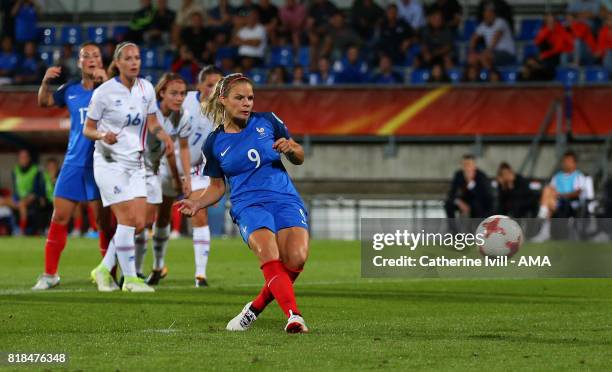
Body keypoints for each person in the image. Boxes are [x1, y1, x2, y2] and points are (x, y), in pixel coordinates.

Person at [177, 73, 310, 333]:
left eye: (250, 97)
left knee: (297, 259)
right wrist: (197, 204)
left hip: (284, 198)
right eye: (240, 98)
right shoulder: (214, 142)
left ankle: (254, 309)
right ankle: (294, 316)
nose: (247, 103)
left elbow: (299, 155)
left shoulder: (268, 121)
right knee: (269, 254)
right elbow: (217, 187)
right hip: (248, 205)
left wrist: (292, 149)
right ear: (223, 100)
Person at [84, 42, 174, 292]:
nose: (135, 62)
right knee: (127, 219)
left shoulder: (146, 88)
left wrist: (164, 136)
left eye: (137, 58)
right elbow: (88, 129)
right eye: (129, 58)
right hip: (110, 163)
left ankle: (103, 270)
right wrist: (103, 135)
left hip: (136, 162)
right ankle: (131, 280)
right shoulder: (104, 92)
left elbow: (153, 121)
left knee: (140, 222)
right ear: (118, 63)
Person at [33, 42, 115, 290]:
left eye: (95, 55)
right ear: (79, 63)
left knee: (103, 222)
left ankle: (108, 274)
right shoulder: (70, 90)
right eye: (85, 56)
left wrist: (107, 82)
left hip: (100, 162)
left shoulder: (112, 89)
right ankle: (50, 275)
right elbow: (44, 102)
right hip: (73, 163)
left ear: (101, 62)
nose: (90, 59)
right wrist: (46, 82)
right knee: (59, 216)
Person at [149, 65, 222, 287]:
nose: (214, 90)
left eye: (218, 86)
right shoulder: (184, 100)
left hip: (197, 168)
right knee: (160, 217)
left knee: (199, 214)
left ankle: (200, 275)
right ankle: (157, 265)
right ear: (199, 85)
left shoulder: (222, 110)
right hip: (167, 165)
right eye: (210, 85)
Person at [134, 72, 190, 282]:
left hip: (158, 168)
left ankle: (157, 266)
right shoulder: (150, 111)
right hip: (139, 168)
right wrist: (177, 178)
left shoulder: (182, 115)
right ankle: (135, 271)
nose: (179, 98)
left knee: (164, 216)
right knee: (143, 221)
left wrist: (186, 179)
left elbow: (181, 149)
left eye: (183, 93)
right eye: (174, 93)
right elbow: (168, 149)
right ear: (161, 93)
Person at [532, 150, 587, 242]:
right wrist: (557, 195)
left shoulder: (579, 176)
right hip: (556, 202)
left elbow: (577, 192)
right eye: (565, 161)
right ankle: (544, 220)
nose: (566, 164)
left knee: (548, 200)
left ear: (574, 163)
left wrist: (561, 195)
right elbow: (551, 190)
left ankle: (543, 223)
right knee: (547, 190)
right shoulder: (557, 176)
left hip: (570, 202)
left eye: (569, 161)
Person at [445, 154, 493, 220]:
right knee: (448, 203)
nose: (467, 167)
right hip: (464, 199)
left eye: (469, 164)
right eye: (464, 165)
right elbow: (451, 193)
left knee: (476, 205)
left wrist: (470, 182)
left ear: (474, 166)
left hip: (478, 201)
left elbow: (484, 196)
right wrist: (459, 202)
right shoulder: (458, 175)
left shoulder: (481, 176)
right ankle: (453, 228)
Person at [469, 5, 516, 69]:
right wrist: (472, 51)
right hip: (493, 52)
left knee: (484, 57)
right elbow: (474, 38)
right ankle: (478, 78)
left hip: (507, 53)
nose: (487, 16)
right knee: (472, 59)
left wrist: (485, 52)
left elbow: (495, 39)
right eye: (485, 14)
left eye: (489, 14)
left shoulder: (501, 22)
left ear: (493, 14)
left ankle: (491, 75)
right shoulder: (483, 24)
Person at [11, 148, 44, 235]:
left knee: (22, 205)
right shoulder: (15, 170)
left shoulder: (35, 170)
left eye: (25, 157)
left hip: (31, 198)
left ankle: (21, 231)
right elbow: (15, 188)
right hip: (18, 198)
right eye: (21, 157)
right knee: (2, 201)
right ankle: (9, 228)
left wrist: (28, 198)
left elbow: (37, 189)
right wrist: (15, 199)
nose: (23, 159)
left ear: (29, 158)